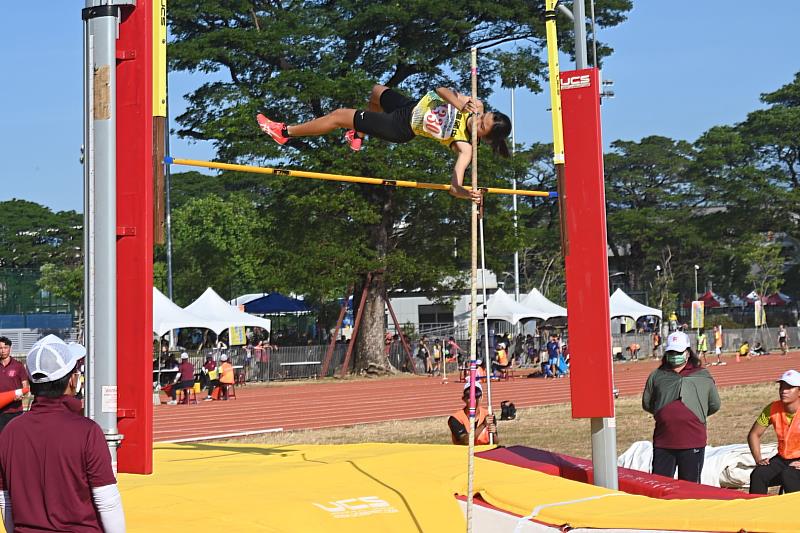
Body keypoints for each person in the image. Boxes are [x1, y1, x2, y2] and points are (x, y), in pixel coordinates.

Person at [257, 85, 512, 201]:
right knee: (376, 92)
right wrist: (461, 104)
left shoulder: (465, 147)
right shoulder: (474, 106)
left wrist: (466, 192)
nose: (477, 121)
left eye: (481, 127)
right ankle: (358, 134)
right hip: (409, 106)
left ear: (483, 137)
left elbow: (454, 184)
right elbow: (440, 90)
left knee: (339, 116)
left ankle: (285, 132)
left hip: (400, 127)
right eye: (482, 118)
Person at [0, 335, 125, 531]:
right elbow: (107, 500)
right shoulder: (86, 431)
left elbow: (5, 500)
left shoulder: (10, 432)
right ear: (73, 380)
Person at [642, 331, 721, 483]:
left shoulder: (702, 375)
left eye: (678, 352)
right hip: (664, 442)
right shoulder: (657, 375)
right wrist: (663, 413)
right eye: (671, 352)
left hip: (693, 441)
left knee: (690, 489)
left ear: (687, 352)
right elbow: (648, 403)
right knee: (660, 487)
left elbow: (714, 405)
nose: (674, 355)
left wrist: (696, 414)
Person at [748, 369, 800, 494]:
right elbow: (754, 434)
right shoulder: (772, 408)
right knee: (758, 474)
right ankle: (756, 511)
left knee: (789, 475)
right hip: (782, 459)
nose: (783, 391)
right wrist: (758, 459)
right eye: (781, 387)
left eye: (789, 387)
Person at [447, 380, 497, 445]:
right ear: (464, 399)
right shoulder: (455, 418)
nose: (473, 400)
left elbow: (496, 442)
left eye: (476, 396)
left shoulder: (489, 415)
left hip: (485, 451)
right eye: (469, 397)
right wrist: (483, 425)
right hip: (465, 453)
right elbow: (465, 441)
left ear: (481, 398)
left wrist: (494, 434)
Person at [0, 336, 28, 433]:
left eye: (5, 348)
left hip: (15, 411)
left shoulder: (18, 366)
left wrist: (22, 395)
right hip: (1, 412)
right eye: (0, 348)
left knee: (16, 438)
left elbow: (25, 386)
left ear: (10, 348)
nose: (2, 351)